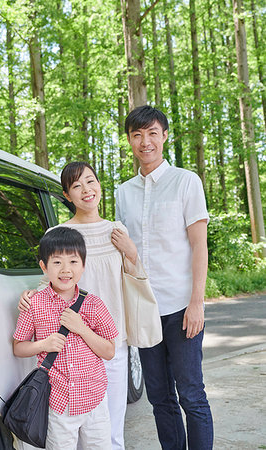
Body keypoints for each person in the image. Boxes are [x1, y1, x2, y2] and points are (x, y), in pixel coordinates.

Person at [18, 161, 142, 450]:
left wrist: (132, 252)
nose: (86, 190)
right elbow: (49, 279)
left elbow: (136, 280)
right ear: (67, 194)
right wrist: (30, 295)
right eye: (77, 186)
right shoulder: (57, 233)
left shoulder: (116, 230)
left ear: (99, 184)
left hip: (110, 342)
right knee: (67, 432)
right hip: (69, 347)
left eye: (90, 181)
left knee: (110, 432)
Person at [115, 105, 213, 450]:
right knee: (159, 398)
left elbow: (199, 247)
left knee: (191, 395)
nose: (145, 142)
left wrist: (196, 303)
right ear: (129, 140)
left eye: (152, 133)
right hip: (144, 312)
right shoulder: (122, 192)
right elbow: (121, 253)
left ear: (165, 135)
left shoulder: (186, 181)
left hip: (181, 307)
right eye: (137, 135)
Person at [13, 226, 118, 449]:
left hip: (94, 400)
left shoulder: (94, 304)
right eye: (57, 262)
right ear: (44, 266)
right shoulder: (34, 304)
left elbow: (109, 351)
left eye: (73, 262)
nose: (65, 270)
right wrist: (44, 344)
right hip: (58, 404)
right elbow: (18, 347)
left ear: (83, 265)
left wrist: (82, 329)